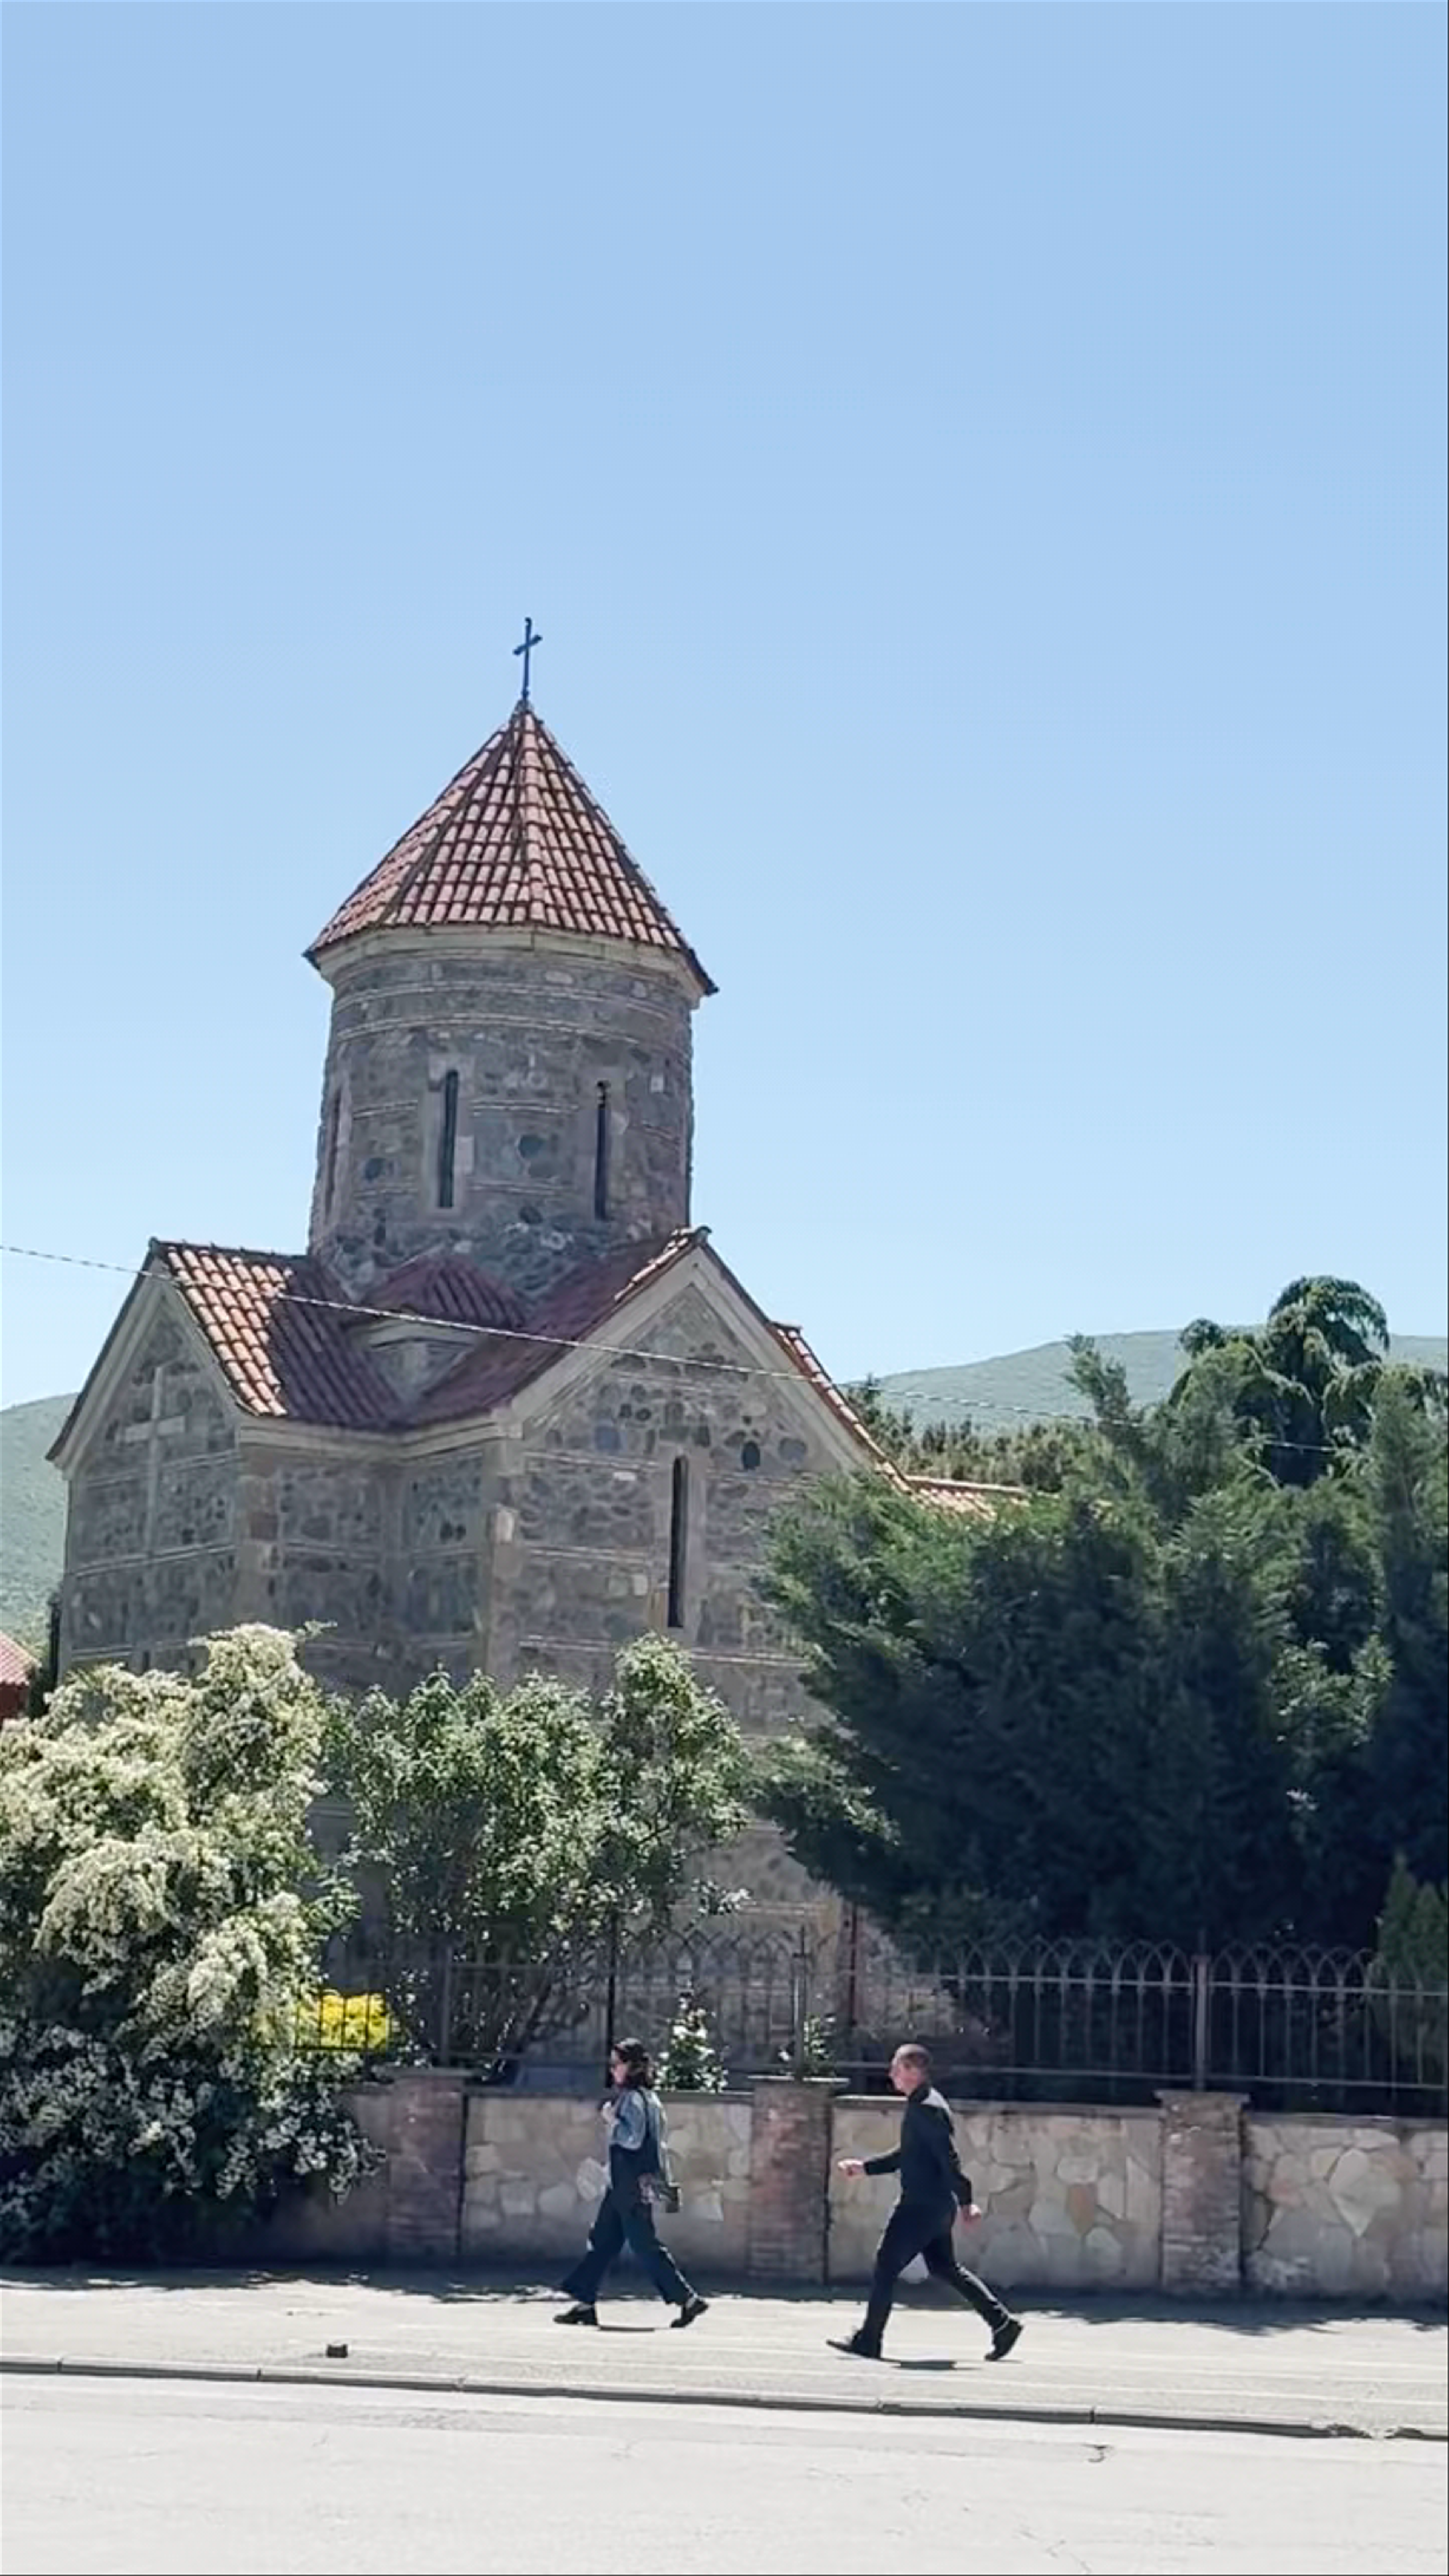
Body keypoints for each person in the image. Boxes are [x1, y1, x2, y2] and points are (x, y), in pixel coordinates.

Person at [831, 2042, 1023, 2363]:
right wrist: (865, 2168)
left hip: (920, 2206)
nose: (891, 2073)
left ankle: (869, 2340)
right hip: (934, 2206)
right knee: (945, 2267)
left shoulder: (927, 2109)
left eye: (897, 2067)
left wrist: (967, 2201)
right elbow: (908, 2155)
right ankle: (1002, 2324)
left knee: (885, 2265)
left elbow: (948, 2158)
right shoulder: (924, 2104)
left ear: (912, 2071)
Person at [554, 2038, 708, 2330]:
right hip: (629, 2184)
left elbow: (632, 2139)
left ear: (632, 2066)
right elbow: (658, 2146)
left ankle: (687, 2299)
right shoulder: (651, 2099)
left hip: (630, 2186)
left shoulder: (634, 2099)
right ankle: (585, 2303)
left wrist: (612, 2120)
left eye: (617, 2064)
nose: (612, 2070)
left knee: (643, 2243)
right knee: (603, 2240)